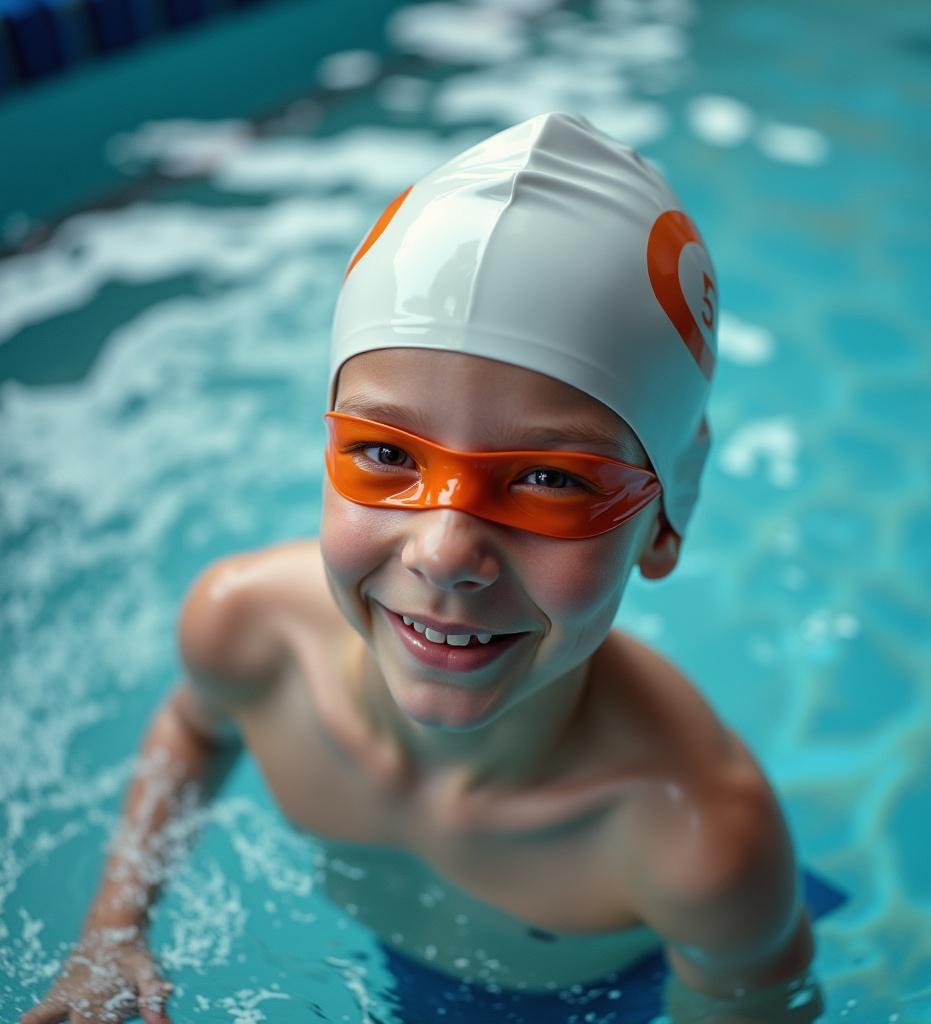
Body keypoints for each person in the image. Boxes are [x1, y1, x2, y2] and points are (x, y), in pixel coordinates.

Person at [21, 112, 820, 1024]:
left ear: (667, 521)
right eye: (388, 455)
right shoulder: (246, 630)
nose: (443, 553)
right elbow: (194, 729)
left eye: (549, 479)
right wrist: (113, 928)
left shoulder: (701, 846)